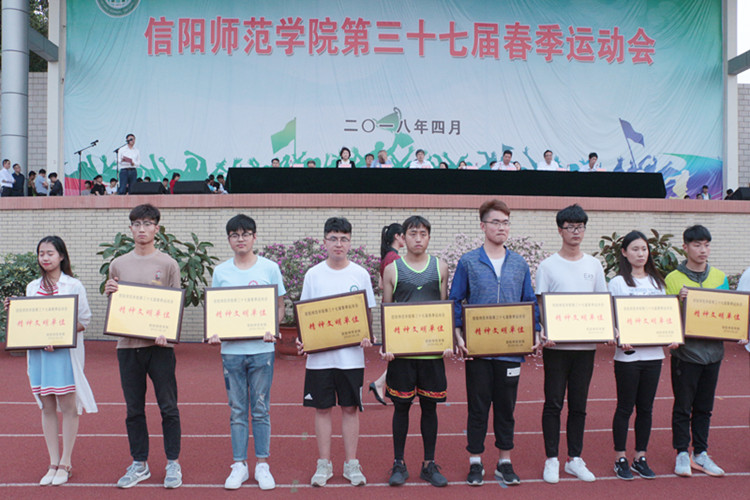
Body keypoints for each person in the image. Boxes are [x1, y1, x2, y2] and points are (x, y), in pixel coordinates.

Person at [449, 199, 540, 487]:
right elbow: (456, 300)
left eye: (505, 222)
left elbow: (529, 301)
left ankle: (504, 462)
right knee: (477, 407)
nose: (501, 227)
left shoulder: (519, 263)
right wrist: (458, 333)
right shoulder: (468, 261)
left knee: (506, 408)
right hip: (478, 351)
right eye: (496, 222)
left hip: (510, 350)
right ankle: (475, 462)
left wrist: (536, 332)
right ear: (483, 226)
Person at [3, 236, 97, 486]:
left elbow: (84, 321)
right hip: (40, 355)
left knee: (68, 406)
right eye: (41, 253)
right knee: (46, 407)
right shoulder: (32, 286)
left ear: (62, 256)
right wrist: (15, 310)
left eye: (50, 253)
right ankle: (53, 462)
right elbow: (31, 319)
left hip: (63, 355)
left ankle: (66, 462)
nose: (45, 258)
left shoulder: (73, 285)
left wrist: (59, 336)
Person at [104, 204, 183, 489]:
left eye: (147, 223)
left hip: (160, 348)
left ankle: (173, 462)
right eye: (137, 224)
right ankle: (140, 463)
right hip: (127, 347)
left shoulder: (169, 264)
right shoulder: (118, 264)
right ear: (130, 229)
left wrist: (167, 334)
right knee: (134, 409)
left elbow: (175, 305)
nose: (142, 229)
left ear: (156, 229)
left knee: (168, 407)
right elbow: (117, 306)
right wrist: (109, 292)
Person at [207, 214, 286, 490]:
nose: (240, 239)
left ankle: (262, 464)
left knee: (261, 409)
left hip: (262, 350)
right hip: (231, 352)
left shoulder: (270, 268)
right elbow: (216, 310)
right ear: (229, 239)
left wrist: (273, 327)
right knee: (238, 410)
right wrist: (214, 332)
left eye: (245, 234)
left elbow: (279, 306)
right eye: (234, 235)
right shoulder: (221, 272)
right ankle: (239, 465)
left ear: (254, 237)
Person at [297, 217, 375, 487]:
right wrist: (303, 340)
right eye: (333, 238)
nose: (338, 244)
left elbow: (367, 314)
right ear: (324, 242)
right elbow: (305, 315)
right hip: (319, 359)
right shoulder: (313, 274)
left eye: (343, 239)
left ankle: (352, 463)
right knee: (322, 409)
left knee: (350, 408)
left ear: (350, 242)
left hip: (351, 358)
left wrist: (367, 335)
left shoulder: (360, 274)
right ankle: (324, 463)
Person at [666, 225, 744, 477]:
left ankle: (700, 452)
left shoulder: (719, 277)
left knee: (704, 407)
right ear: (685, 247)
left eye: (707, 245)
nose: (703, 250)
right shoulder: (673, 279)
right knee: (683, 406)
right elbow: (666, 318)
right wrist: (678, 300)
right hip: (686, 354)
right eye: (697, 245)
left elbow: (728, 312)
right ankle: (681, 452)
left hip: (713, 354)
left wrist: (739, 330)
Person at [536, 204, 607, 484]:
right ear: (560, 230)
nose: (576, 232)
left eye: (580, 227)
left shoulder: (593, 265)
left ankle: (574, 459)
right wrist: (545, 329)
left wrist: (606, 328)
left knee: (579, 405)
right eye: (570, 227)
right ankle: (552, 459)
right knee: (553, 403)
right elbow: (541, 304)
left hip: (585, 348)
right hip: (556, 348)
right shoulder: (547, 266)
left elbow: (602, 302)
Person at [381, 215, 451, 488]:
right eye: (412, 234)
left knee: (430, 408)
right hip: (403, 355)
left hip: (431, 354)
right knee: (401, 408)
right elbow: (387, 310)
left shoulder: (440, 267)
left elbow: (444, 307)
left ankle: (428, 464)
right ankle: (398, 463)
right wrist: (387, 346)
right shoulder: (392, 270)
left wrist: (446, 340)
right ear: (403, 238)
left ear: (429, 237)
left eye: (423, 233)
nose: (418, 238)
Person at [607, 231, 666, 480]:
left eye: (644, 249)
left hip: (654, 356)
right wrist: (617, 334)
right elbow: (610, 317)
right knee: (624, 407)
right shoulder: (618, 283)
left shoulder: (657, 283)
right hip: (628, 357)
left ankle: (640, 456)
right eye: (634, 249)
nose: (640, 254)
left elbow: (665, 318)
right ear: (624, 252)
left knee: (646, 409)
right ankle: (620, 458)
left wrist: (671, 335)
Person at [368, 223, 405, 406]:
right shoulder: (394, 258)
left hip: (391, 309)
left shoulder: (387, 257)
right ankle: (380, 384)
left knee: (400, 353)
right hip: (396, 311)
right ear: (397, 236)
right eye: (405, 235)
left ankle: (381, 383)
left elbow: (382, 285)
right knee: (402, 353)